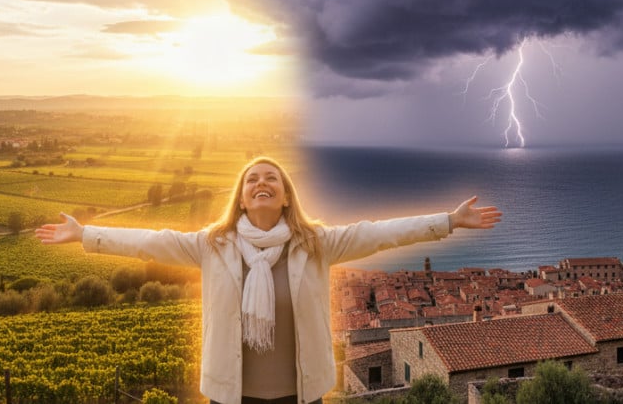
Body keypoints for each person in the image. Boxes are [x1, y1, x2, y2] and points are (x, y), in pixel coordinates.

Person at [35, 156, 501, 404]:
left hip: (301, 395)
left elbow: (378, 233)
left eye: (272, 179)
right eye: (253, 178)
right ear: (240, 198)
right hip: (230, 396)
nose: (262, 182)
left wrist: (448, 220)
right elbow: (149, 242)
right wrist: (85, 234)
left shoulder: (315, 243)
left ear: (284, 197)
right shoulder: (211, 245)